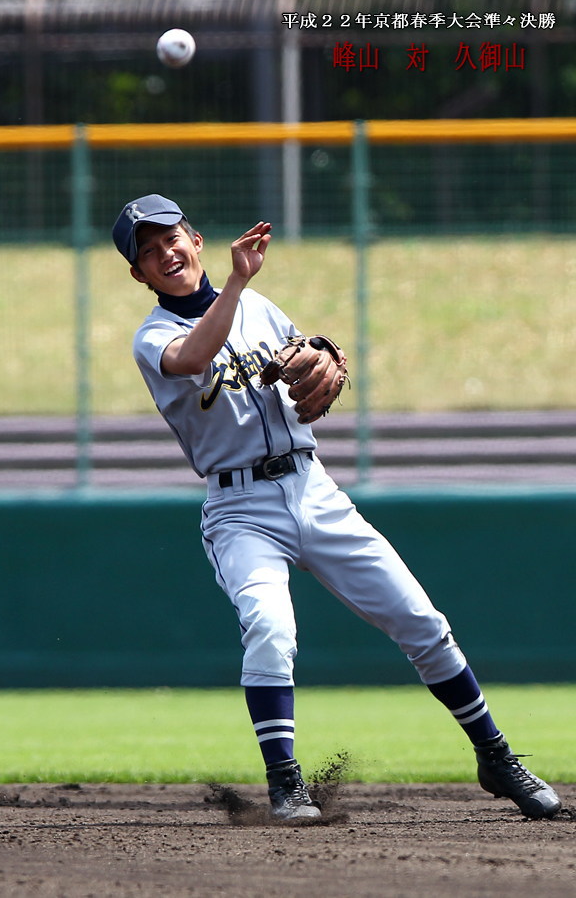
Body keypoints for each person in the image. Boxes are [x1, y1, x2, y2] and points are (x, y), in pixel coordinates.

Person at [112, 194, 562, 822]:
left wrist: (321, 359)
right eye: (149, 252)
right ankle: (285, 782)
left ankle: (498, 757)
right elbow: (192, 357)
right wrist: (238, 283)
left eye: (172, 239)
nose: (165, 254)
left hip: (311, 488)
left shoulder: (262, 309)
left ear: (196, 239)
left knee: (421, 620)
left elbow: (304, 372)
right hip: (241, 508)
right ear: (139, 275)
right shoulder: (154, 335)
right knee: (270, 629)